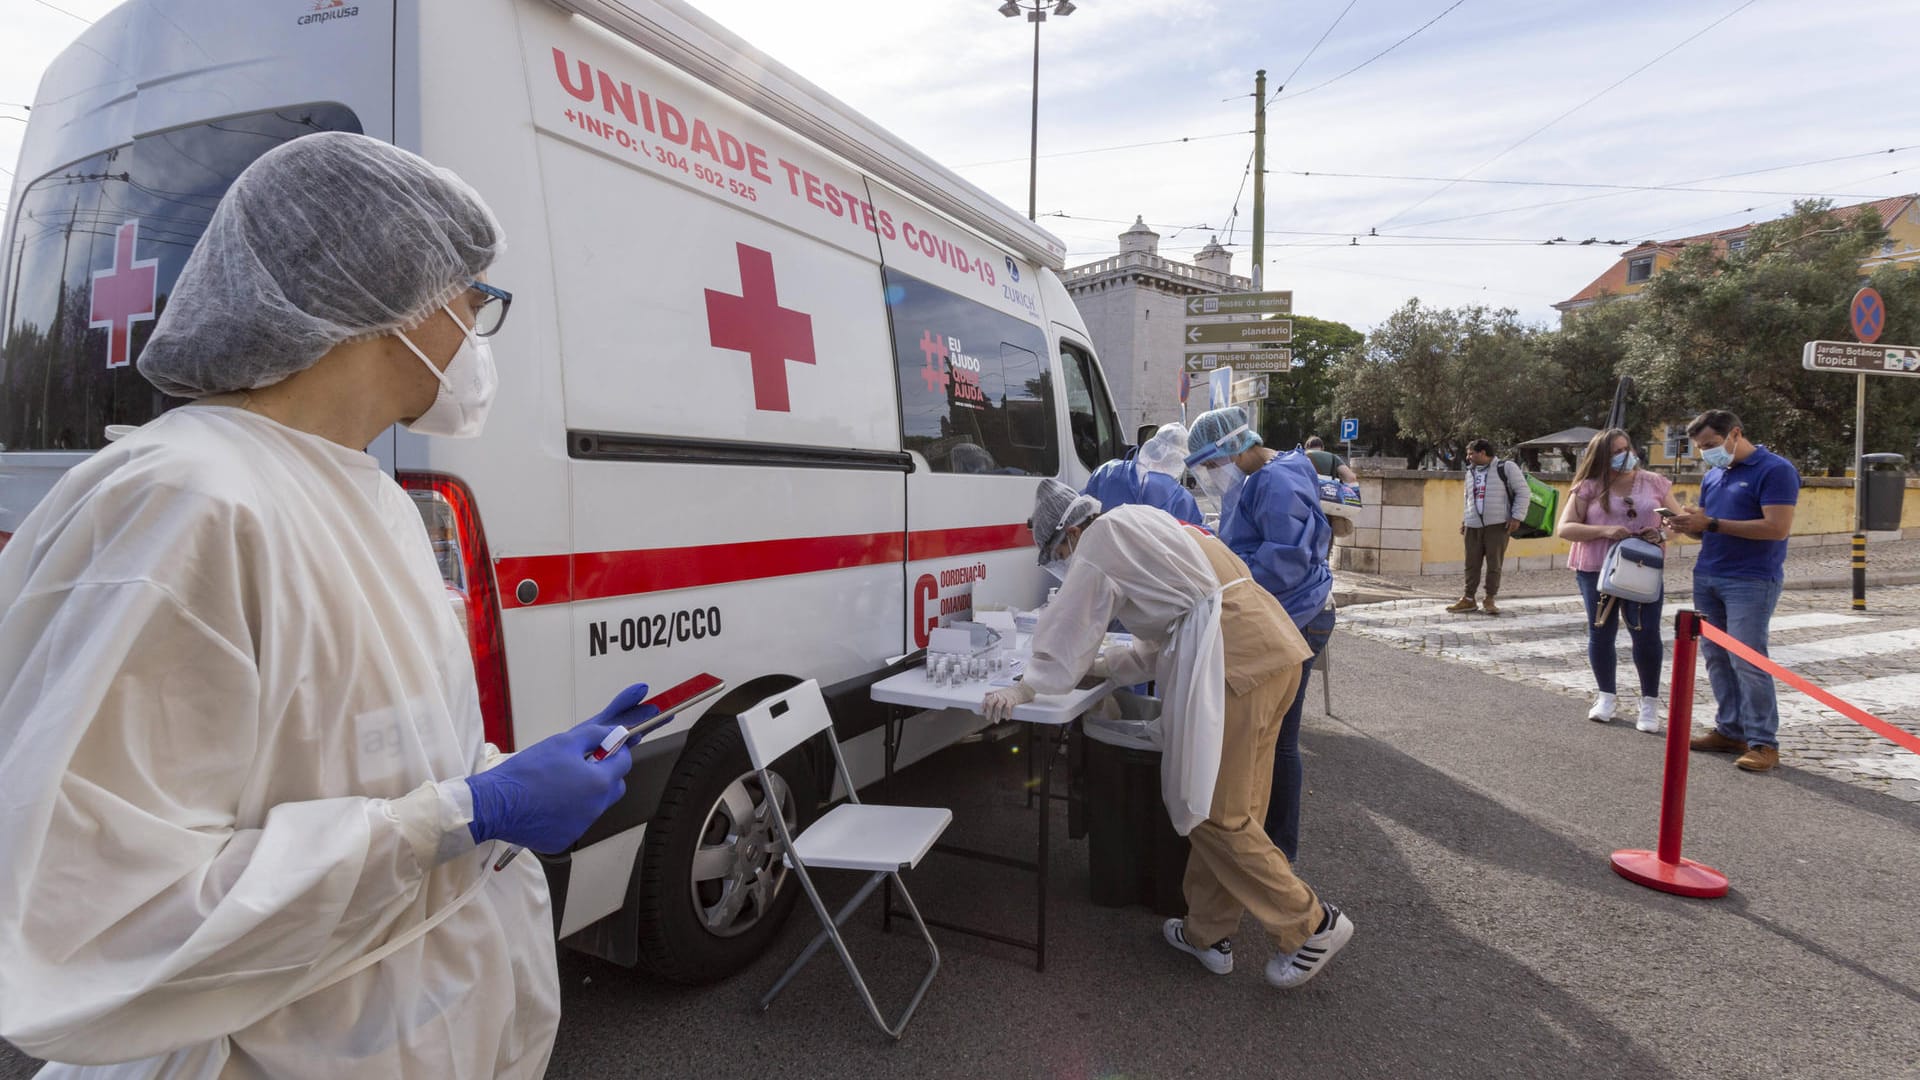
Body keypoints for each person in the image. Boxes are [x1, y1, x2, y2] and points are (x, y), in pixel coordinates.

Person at [0, 132, 649, 1077]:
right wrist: (465, 814)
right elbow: (95, 912)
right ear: (393, 298)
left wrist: (498, 780)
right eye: (472, 295)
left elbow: (349, 759)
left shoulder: (364, 494)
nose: (476, 323)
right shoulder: (184, 500)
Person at [982, 481, 1354, 989]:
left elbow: (1070, 622)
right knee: (1235, 808)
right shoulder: (1143, 521)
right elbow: (1171, 628)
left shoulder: (1099, 540)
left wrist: (1031, 685)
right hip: (1270, 646)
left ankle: (1310, 924)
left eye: (1057, 553)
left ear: (1071, 531)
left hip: (1233, 662)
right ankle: (1208, 932)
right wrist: (1105, 666)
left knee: (1215, 814)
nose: (1063, 562)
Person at [1184, 407, 1332, 863]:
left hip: (1293, 614)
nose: (1213, 473)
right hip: (1299, 611)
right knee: (1277, 739)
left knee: (1280, 741)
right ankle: (1271, 847)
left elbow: (1283, 560)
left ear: (1234, 446)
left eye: (1213, 463)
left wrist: (1224, 582)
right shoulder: (1279, 469)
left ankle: (1276, 853)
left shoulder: (1274, 482)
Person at [1668, 410, 1799, 773]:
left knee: (1748, 659)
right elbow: (1711, 527)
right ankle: (1731, 729)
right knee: (1716, 658)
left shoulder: (1776, 470)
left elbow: (1776, 528)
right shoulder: (1714, 475)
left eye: (1710, 445)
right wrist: (1689, 524)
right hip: (1709, 574)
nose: (1706, 453)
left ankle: (1763, 743)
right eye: (1700, 448)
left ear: (1735, 434)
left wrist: (1709, 522)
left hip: (1751, 579)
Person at [1556, 429, 1684, 732]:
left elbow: (1677, 522)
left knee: (1646, 633)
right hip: (1596, 570)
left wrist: (1663, 533)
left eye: (1627, 448)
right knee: (1601, 631)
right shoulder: (1588, 487)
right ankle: (1606, 697)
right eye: (1616, 451)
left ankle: (1649, 703)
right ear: (1601, 456)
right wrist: (1604, 531)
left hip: (1642, 567)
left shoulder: (1654, 484)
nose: (1625, 455)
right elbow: (1566, 528)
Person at [1449, 438, 1528, 616]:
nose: (1468, 457)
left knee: (1494, 563)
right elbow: (1468, 498)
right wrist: (1465, 519)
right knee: (1471, 563)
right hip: (1473, 524)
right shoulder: (1470, 472)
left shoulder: (1506, 468)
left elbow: (1523, 492)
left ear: (1483, 453)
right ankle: (1468, 599)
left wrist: (1517, 516)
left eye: (1471, 453)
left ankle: (1490, 598)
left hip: (1498, 524)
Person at [1082, 422, 1204, 526]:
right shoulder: (1179, 497)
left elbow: (1078, 511)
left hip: (1101, 551)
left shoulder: (1107, 471)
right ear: (1178, 462)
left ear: (1152, 445)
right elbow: (1196, 535)